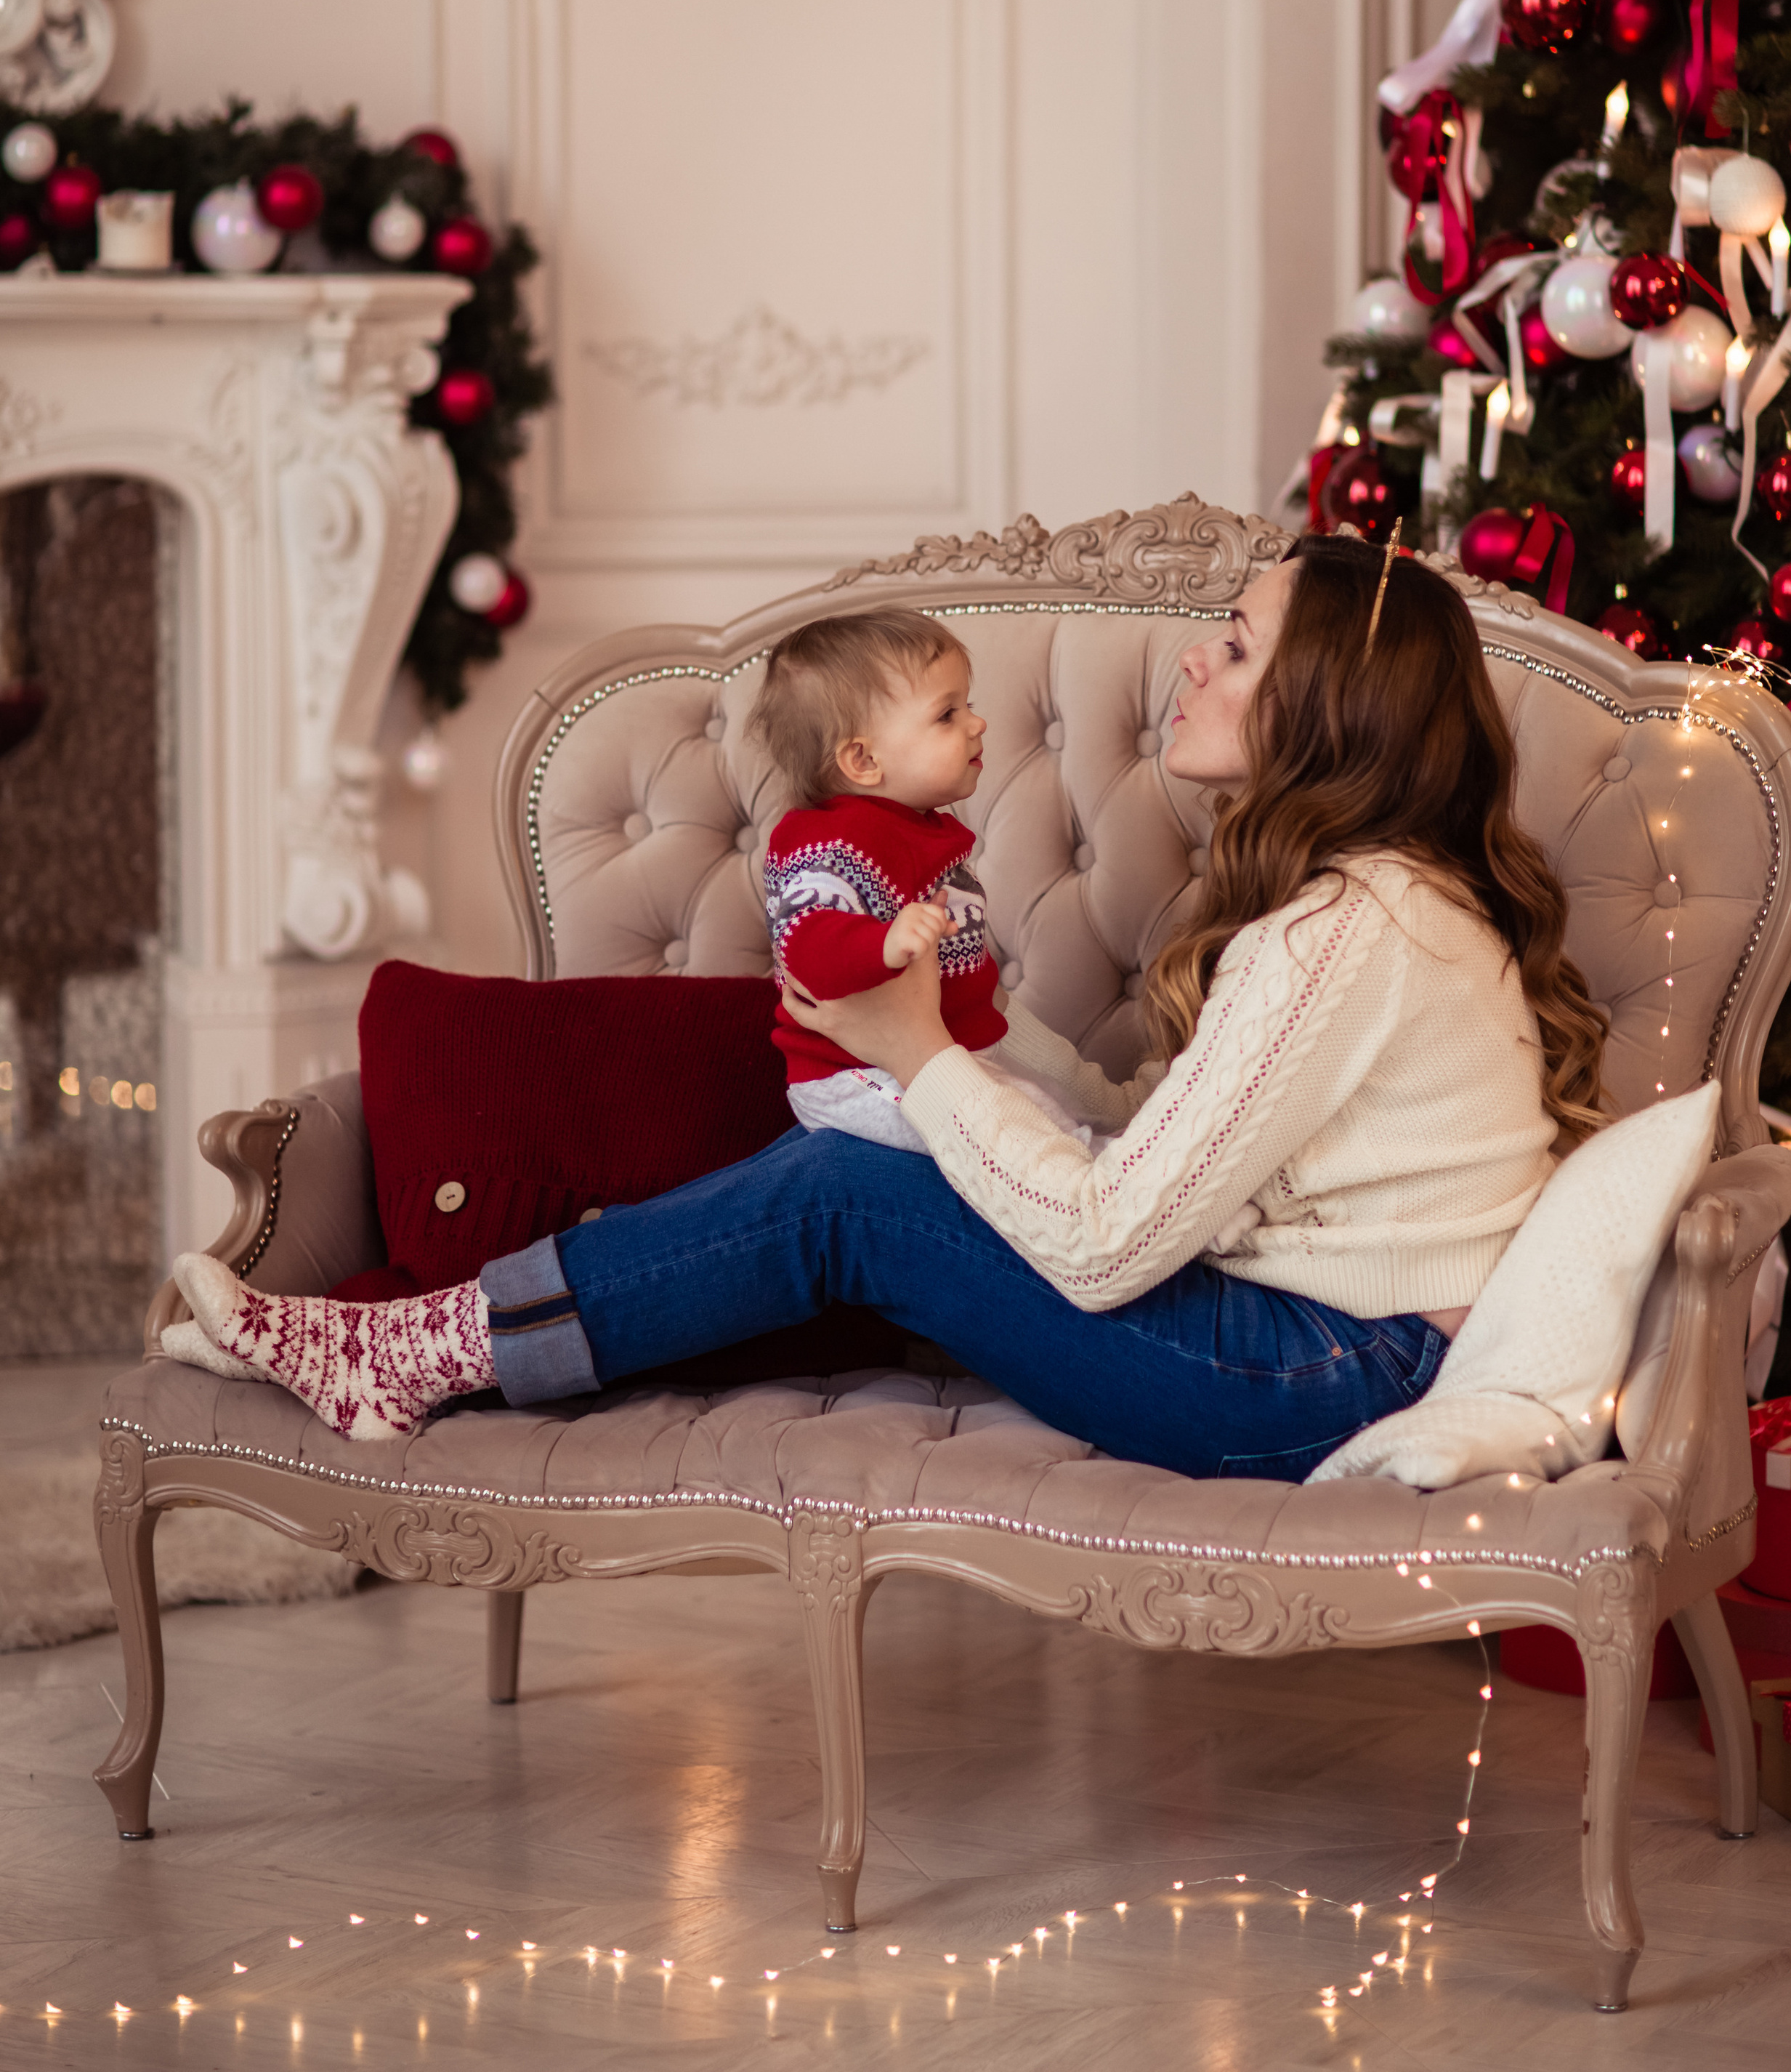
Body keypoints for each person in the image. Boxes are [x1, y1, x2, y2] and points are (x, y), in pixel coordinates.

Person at [163, 534, 1607, 1481]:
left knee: (848, 1194)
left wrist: (918, 1056)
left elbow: (1107, 1250)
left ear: (1322, 707)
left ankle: (411, 1353)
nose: (1193, 656)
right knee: (855, 1181)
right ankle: (433, 1341)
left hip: (1326, 1378)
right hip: (1344, 1346)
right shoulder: (1379, 898)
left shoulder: (1345, 929)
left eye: (1233, 645)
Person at [751, 608, 1106, 1151]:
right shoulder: (827, 842)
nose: (976, 723)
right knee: (1022, 1132)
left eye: (969, 705)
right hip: (855, 1075)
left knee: (1043, 1109)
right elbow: (805, 943)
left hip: (941, 1053)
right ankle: (1108, 1177)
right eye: (947, 715)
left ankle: (1114, 1159)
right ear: (864, 759)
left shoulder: (915, 824)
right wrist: (884, 942)